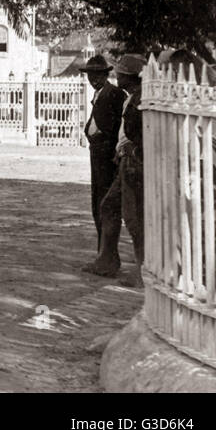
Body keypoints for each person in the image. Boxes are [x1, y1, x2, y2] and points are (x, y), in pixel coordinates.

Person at [84, 54, 146, 280]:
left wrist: (127, 151)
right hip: (124, 160)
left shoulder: (138, 99)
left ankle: (142, 271)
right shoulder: (131, 97)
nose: (116, 74)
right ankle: (107, 260)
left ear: (129, 76)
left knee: (133, 218)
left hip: (133, 162)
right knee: (109, 206)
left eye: (120, 72)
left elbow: (137, 133)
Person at [77, 55, 125, 255]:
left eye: (98, 75)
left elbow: (117, 126)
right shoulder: (99, 94)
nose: (93, 79)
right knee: (97, 202)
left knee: (105, 204)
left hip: (107, 154)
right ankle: (102, 252)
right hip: (96, 152)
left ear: (106, 75)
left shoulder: (113, 94)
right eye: (90, 75)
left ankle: (107, 255)